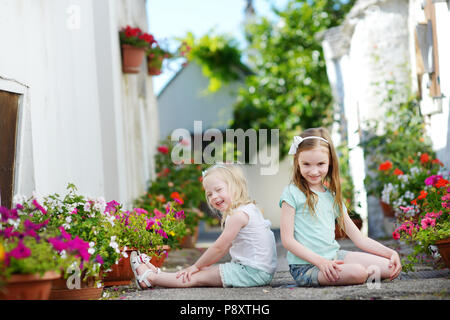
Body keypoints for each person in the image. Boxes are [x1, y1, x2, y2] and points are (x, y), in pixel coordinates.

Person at [279, 127, 402, 287]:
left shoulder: (331, 196)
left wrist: (391, 252)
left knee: (389, 266)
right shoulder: (292, 193)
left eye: (320, 164)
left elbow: (359, 238)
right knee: (358, 272)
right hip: (306, 267)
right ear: (297, 162)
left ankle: (353, 272)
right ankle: (352, 274)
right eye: (306, 164)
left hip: (335, 256)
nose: (314, 171)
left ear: (330, 163)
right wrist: (321, 262)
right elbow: (287, 241)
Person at [130, 163, 277, 289]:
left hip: (253, 272)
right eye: (209, 194)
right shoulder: (248, 208)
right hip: (257, 271)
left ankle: (150, 279)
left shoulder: (238, 216)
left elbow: (219, 248)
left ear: (236, 186)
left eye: (218, 190)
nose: (213, 197)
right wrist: (199, 267)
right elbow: (224, 248)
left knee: (196, 276)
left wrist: (195, 266)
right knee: (204, 271)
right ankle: (159, 274)